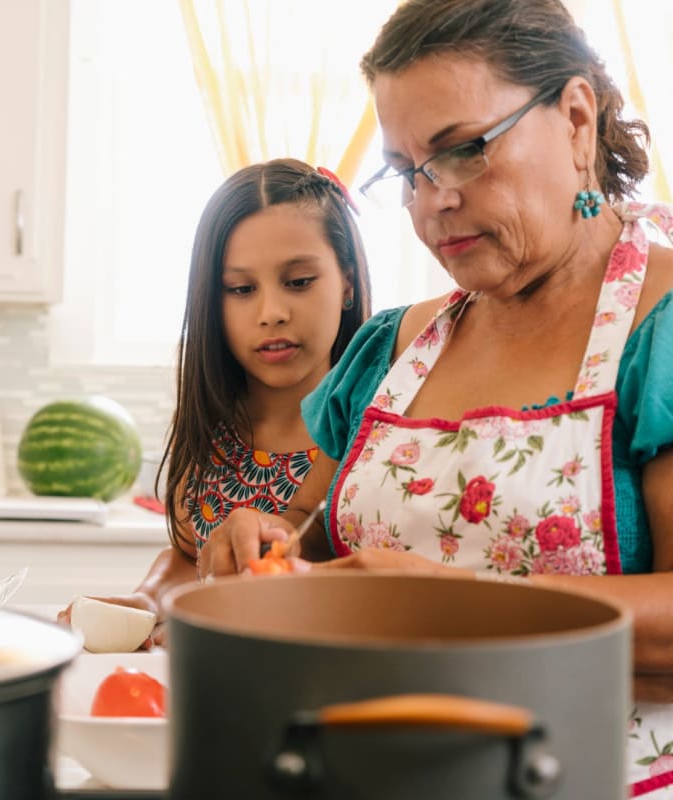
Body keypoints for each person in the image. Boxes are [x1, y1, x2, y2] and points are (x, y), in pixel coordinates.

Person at [198, 1, 673, 795]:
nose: (432, 201)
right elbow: (311, 537)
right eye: (406, 171)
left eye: (462, 151)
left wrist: (460, 607)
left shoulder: (658, 329)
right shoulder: (393, 351)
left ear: (577, 120)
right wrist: (262, 541)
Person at [57, 158, 372, 644]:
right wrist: (149, 599)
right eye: (241, 289)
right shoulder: (213, 424)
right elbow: (188, 557)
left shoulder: (380, 430)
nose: (272, 313)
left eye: (299, 281)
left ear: (347, 281)